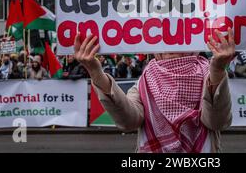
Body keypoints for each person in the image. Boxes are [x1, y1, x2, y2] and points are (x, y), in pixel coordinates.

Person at [74, 28, 235, 153]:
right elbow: (129, 122)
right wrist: (95, 72)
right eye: (165, 36)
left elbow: (217, 122)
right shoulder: (146, 79)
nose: (172, 43)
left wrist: (218, 71)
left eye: (179, 34)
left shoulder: (210, 73)